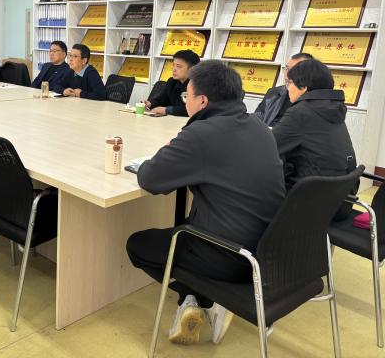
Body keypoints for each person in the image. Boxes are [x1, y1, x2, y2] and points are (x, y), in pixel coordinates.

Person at [126, 60, 285, 346]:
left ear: (202, 101)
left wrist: (166, 150)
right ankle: (196, 297)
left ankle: (208, 297)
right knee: (187, 225)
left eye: (186, 95)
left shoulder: (202, 133)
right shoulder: (260, 127)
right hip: (266, 251)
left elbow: (150, 178)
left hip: (229, 255)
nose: (185, 101)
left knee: (138, 245)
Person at [272, 58, 356, 220]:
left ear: (303, 87)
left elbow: (268, 147)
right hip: (341, 200)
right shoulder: (333, 108)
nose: (287, 88)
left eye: (290, 83)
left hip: (311, 203)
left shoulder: (301, 112)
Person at [253, 52, 313, 126]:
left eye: (294, 70)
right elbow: (256, 120)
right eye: (287, 69)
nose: (287, 75)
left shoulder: (314, 99)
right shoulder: (274, 93)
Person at [144, 49, 200, 117]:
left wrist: (166, 110)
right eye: (173, 65)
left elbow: (193, 109)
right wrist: (150, 103)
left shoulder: (198, 85)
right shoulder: (172, 82)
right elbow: (161, 100)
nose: (174, 69)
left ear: (192, 69)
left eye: (178, 66)